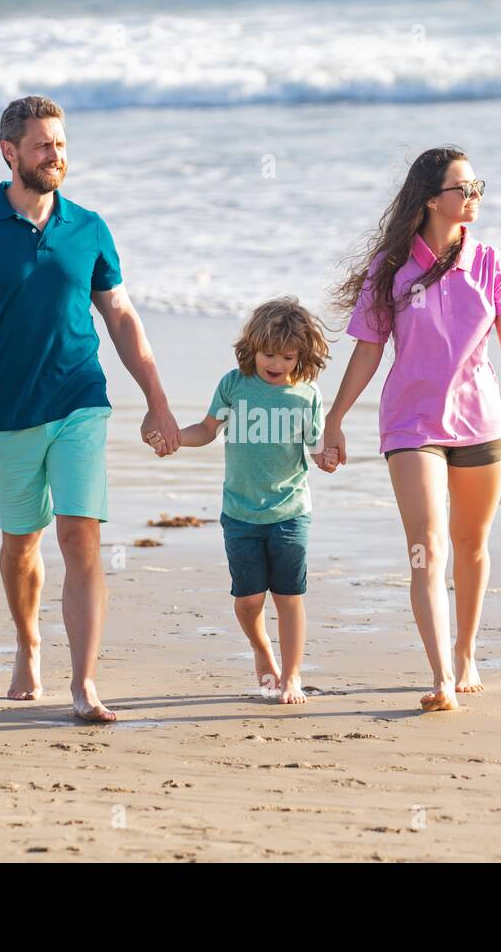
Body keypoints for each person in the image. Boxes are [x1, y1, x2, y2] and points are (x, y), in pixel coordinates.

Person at [0, 95, 180, 722]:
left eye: (62, 145)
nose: (57, 155)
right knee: (22, 544)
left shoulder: (89, 227)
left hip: (80, 400)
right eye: (44, 145)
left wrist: (157, 400)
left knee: (81, 538)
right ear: (9, 152)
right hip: (8, 412)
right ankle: (27, 641)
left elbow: (121, 317)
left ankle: (84, 684)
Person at [318, 146, 501, 712]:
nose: (474, 196)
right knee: (427, 547)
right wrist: (336, 419)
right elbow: (367, 351)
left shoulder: (489, 262)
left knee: (471, 543)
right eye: (463, 188)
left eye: (477, 185)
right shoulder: (390, 270)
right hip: (412, 424)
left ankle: (466, 654)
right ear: (432, 199)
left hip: (480, 420)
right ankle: (440, 677)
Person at [146, 298, 334, 703]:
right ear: (252, 348)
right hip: (240, 512)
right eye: (269, 354)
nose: (277, 363)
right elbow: (207, 430)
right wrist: (175, 438)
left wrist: (328, 457)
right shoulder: (234, 384)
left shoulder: (308, 395)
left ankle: (293, 676)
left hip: (290, 512)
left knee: (288, 597)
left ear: (302, 355)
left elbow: (317, 449)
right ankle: (261, 648)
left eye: (288, 356)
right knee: (248, 600)